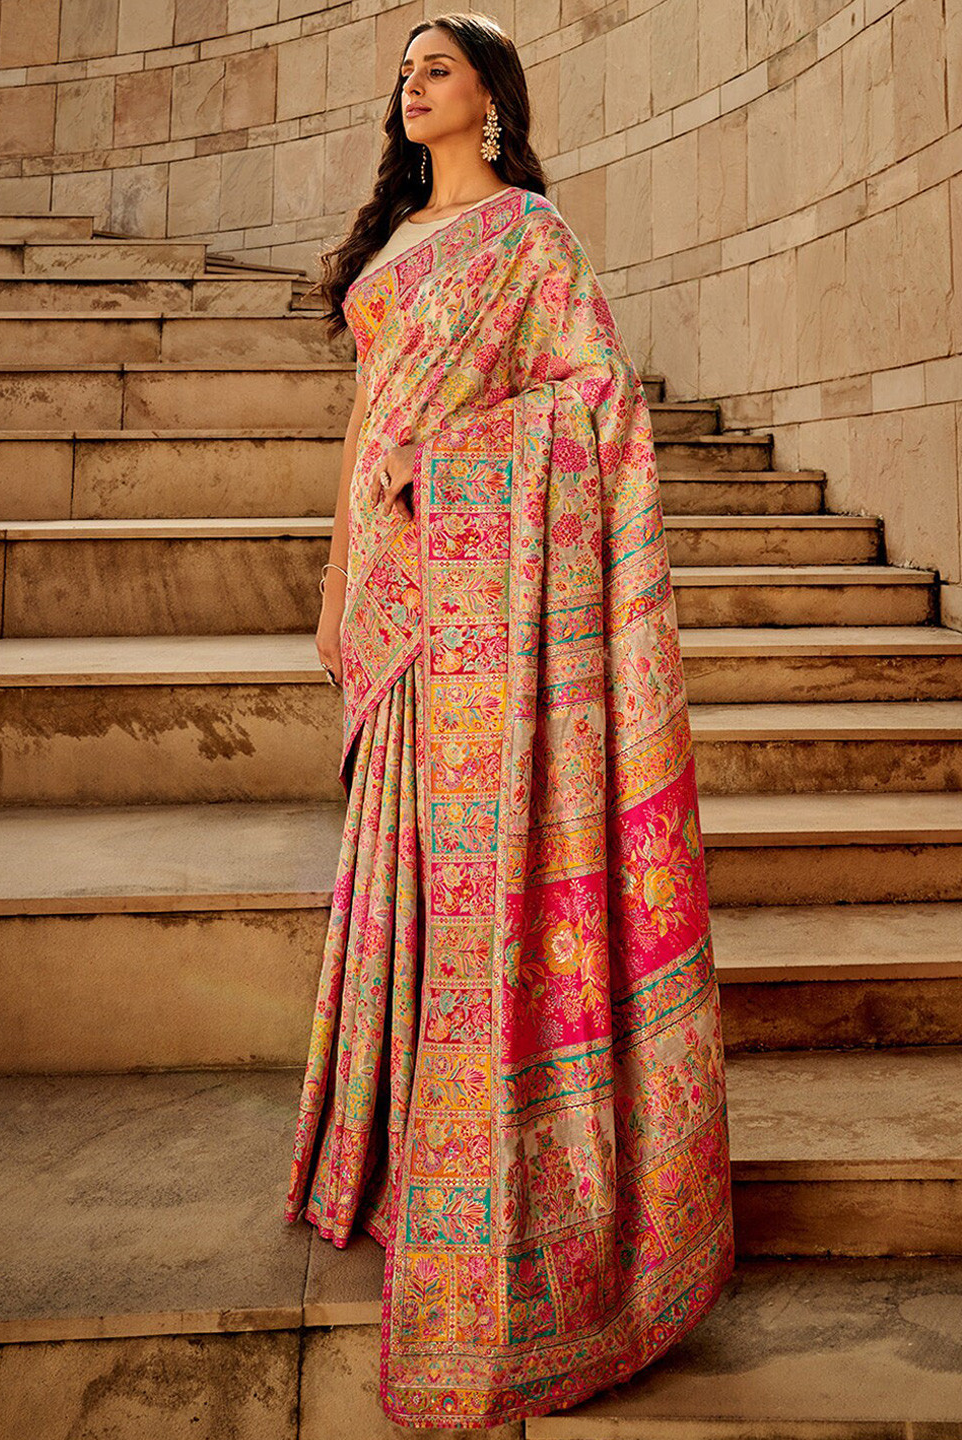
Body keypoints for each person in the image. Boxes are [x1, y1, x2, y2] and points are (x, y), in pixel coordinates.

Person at [283, 10, 735, 1428]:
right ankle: (390, 1152)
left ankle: (480, 1164)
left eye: (436, 68)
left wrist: (459, 464)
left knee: (481, 878)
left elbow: (593, 398)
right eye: (403, 72)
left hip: (489, 594)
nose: (411, 87)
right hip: (398, 590)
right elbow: (366, 425)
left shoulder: (530, 238)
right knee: (407, 865)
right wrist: (335, 579)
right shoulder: (394, 248)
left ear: (491, 95)